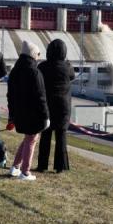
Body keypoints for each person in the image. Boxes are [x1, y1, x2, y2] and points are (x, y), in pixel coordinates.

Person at [7, 41, 49, 181]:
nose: (38, 57)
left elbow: (10, 95)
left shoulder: (14, 71)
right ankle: (25, 172)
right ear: (32, 55)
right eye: (37, 54)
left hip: (19, 112)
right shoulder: (35, 72)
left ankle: (15, 167)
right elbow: (41, 96)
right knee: (31, 140)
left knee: (27, 139)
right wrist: (46, 116)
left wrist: (12, 115)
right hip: (33, 114)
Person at [37, 39, 75, 173]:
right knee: (61, 136)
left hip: (47, 105)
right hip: (63, 107)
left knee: (45, 136)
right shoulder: (68, 67)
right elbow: (72, 76)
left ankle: (42, 165)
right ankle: (61, 166)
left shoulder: (42, 67)